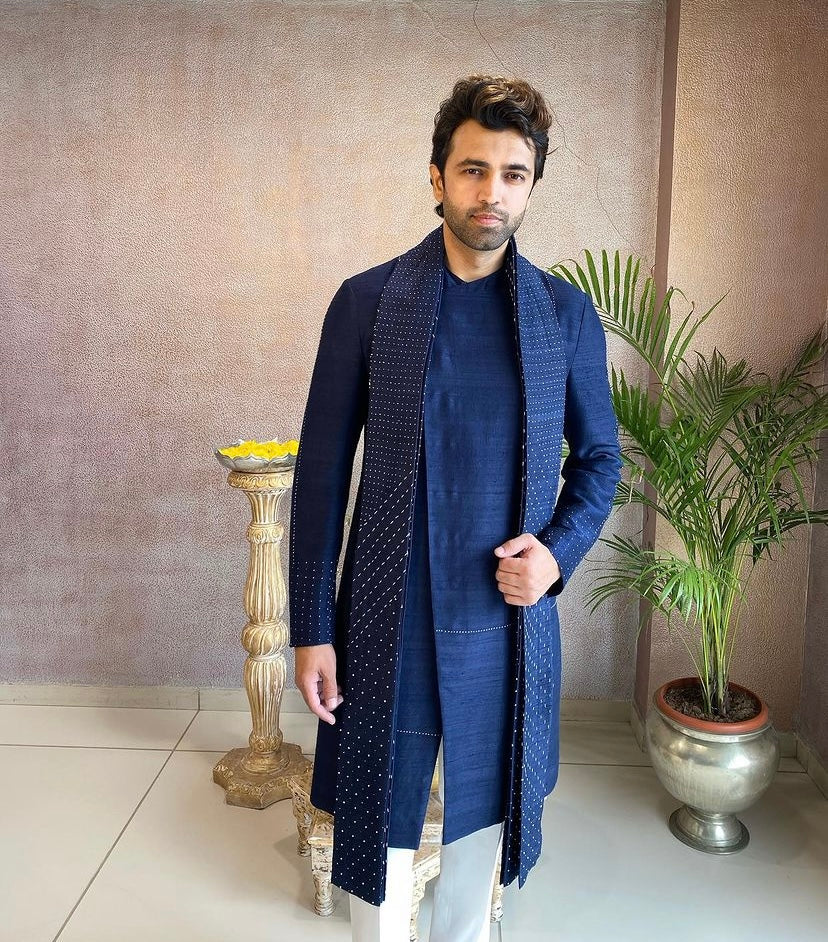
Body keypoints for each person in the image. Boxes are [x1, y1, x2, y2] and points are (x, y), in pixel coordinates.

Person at [288, 74, 622, 942]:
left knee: (484, 826)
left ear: (532, 186)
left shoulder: (562, 314)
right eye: (474, 170)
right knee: (378, 834)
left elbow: (600, 461)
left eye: (513, 174)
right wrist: (311, 629)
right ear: (437, 177)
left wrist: (555, 555)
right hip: (385, 614)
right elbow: (322, 476)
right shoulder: (367, 302)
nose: (492, 193)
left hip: (504, 617)